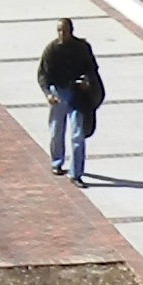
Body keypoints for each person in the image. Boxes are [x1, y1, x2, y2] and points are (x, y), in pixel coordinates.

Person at [35, 16, 105, 184]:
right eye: (59, 31)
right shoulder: (51, 50)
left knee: (77, 135)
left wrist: (86, 81)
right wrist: (48, 94)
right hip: (59, 91)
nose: (62, 34)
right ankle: (57, 162)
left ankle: (76, 173)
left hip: (77, 94)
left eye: (65, 31)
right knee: (57, 130)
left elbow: (91, 68)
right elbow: (43, 75)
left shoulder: (82, 48)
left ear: (71, 31)